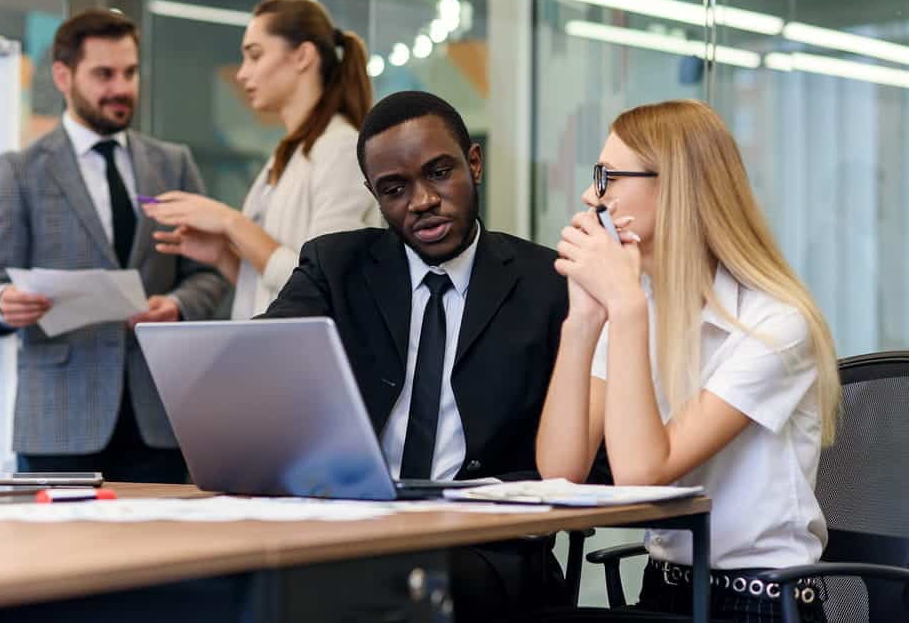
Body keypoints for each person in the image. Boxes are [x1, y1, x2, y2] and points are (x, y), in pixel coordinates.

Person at [260, 90, 609, 622]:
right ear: (374, 195)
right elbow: (260, 359)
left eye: (438, 173)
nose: (421, 200)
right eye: (395, 189)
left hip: (489, 548)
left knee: (383, 589)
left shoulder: (548, 284)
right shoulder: (336, 268)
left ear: (473, 163)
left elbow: (596, 458)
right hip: (354, 529)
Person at [536, 100, 839, 622]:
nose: (591, 195)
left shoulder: (776, 323)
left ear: (674, 186)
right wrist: (583, 321)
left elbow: (641, 474)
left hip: (759, 602)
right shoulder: (642, 303)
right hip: (668, 589)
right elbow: (559, 472)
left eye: (607, 176)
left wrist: (624, 306)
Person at [0, 9, 228, 484]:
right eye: (104, 74)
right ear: (64, 76)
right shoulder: (20, 171)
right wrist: (3, 303)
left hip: (161, 417)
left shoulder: (173, 164)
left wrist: (176, 304)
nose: (121, 88)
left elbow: (209, 274)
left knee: (168, 555)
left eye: (129, 73)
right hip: (59, 423)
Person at [142, 0, 378, 318]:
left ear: (302, 56)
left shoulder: (341, 149)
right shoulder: (287, 156)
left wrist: (230, 222)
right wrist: (223, 256)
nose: (241, 74)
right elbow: (276, 290)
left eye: (255, 55)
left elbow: (324, 286)